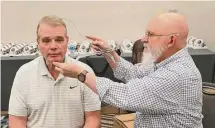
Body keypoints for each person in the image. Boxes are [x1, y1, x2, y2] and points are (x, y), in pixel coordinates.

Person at [53, 12, 203, 128]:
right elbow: (133, 73)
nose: (144, 39)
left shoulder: (178, 74)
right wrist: (108, 52)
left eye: (150, 34)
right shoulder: (164, 62)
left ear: (171, 40)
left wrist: (81, 74)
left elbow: (126, 95)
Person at [8, 15, 101, 128]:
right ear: (38, 43)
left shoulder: (83, 73)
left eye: (59, 40)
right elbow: (17, 121)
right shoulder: (24, 74)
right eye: (46, 40)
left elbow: (93, 118)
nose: (53, 46)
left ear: (67, 41)